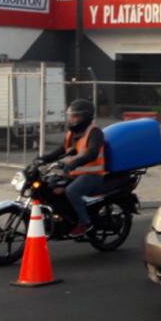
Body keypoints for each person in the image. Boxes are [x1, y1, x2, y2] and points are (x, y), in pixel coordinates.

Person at [36, 98, 105, 238]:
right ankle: (61, 217)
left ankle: (85, 223)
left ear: (85, 117)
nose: (72, 119)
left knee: (71, 191)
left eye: (76, 116)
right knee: (50, 185)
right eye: (71, 116)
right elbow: (62, 149)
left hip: (93, 175)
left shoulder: (95, 132)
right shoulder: (72, 134)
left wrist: (74, 163)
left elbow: (92, 153)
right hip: (75, 174)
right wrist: (44, 158)